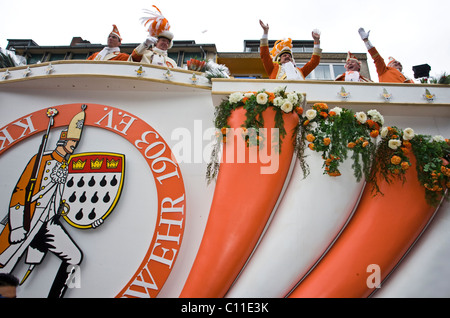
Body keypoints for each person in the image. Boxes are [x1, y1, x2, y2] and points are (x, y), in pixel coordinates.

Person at [0, 106, 87, 298]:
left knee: (74, 257)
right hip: (29, 217)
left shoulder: (66, 166)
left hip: (48, 222)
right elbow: (20, 191)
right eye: (72, 140)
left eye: (76, 141)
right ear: (63, 140)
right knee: (6, 261)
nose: (75, 144)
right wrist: (16, 226)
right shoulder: (41, 159)